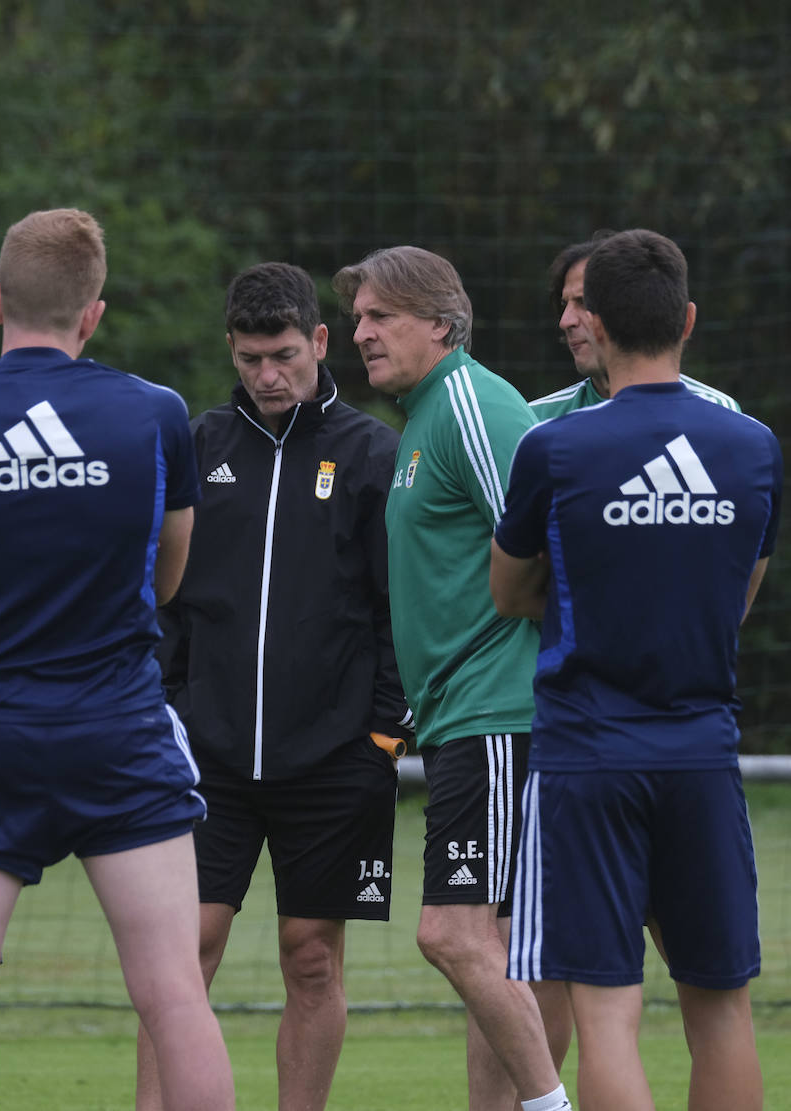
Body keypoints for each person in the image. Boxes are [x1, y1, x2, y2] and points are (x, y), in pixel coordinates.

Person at [0, 208, 234, 1111]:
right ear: (94, 314)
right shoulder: (156, 414)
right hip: (117, 725)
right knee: (174, 997)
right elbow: (166, 581)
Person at [493, 229, 779, 1111]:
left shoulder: (558, 448)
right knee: (721, 1006)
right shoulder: (754, 445)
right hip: (702, 754)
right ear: (686, 318)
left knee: (609, 1013)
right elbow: (737, 596)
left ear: (599, 327)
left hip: (588, 758)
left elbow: (507, 593)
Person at [134, 262, 408, 1111]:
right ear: (232, 349)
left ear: (320, 342)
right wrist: (170, 714)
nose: (267, 374)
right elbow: (163, 598)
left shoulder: (372, 453)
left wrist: (384, 739)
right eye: (251, 358)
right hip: (207, 758)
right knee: (186, 955)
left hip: (335, 760)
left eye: (284, 354)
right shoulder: (195, 444)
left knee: (311, 956)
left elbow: (400, 611)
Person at [331, 247, 570, 1111]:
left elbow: (554, 543)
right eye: (357, 318)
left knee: (452, 934)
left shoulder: (471, 401)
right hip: (458, 718)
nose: (359, 333)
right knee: (495, 947)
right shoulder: (422, 417)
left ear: (441, 321)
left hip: (497, 710)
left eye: (378, 316)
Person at [531, 230, 739, 419]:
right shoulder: (535, 419)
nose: (565, 321)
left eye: (583, 301)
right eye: (564, 304)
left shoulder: (719, 413)